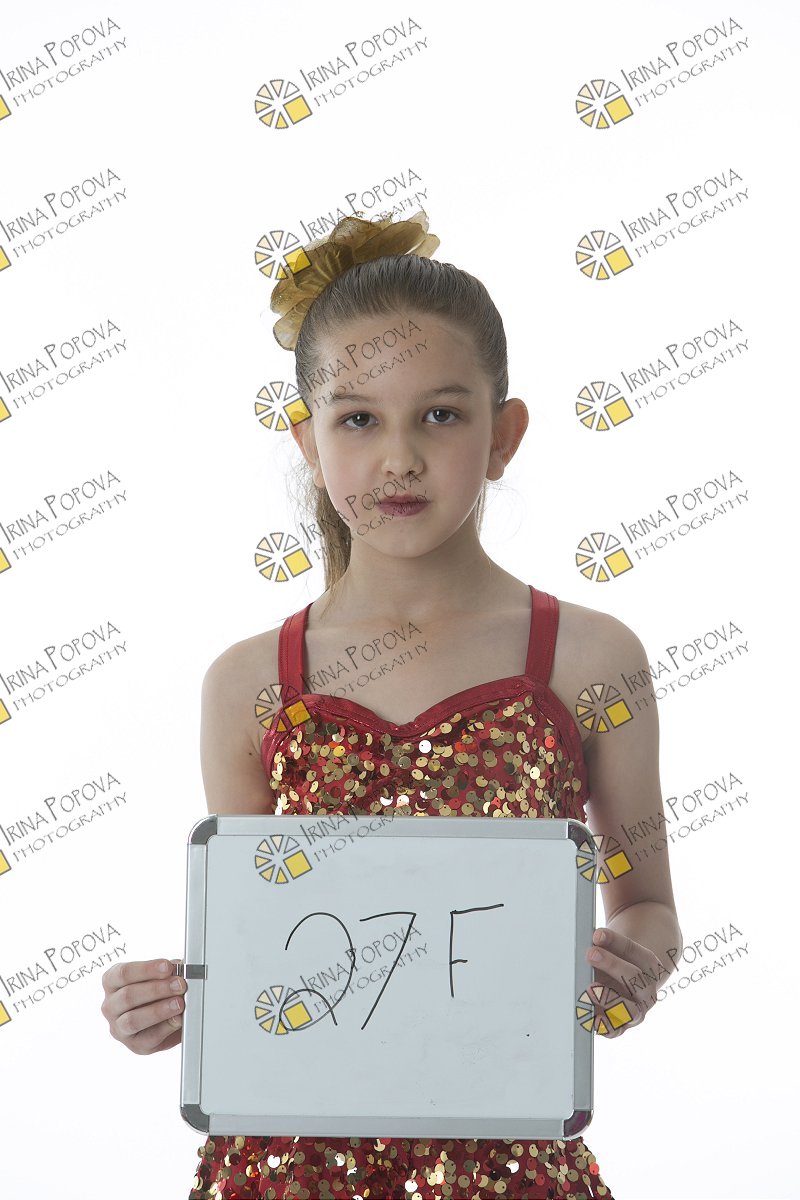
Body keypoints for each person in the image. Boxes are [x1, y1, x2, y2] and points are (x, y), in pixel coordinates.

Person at [101, 210, 683, 1199]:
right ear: (309, 441)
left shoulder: (590, 659)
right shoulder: (249, 682)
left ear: (503, 436)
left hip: (510, 1163)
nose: (399, 457)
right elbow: (255, 946)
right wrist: (173, 1002)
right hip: (285, 1170)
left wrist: (625, 974)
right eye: (359, 419)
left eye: (441, 416)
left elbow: (649, 905)